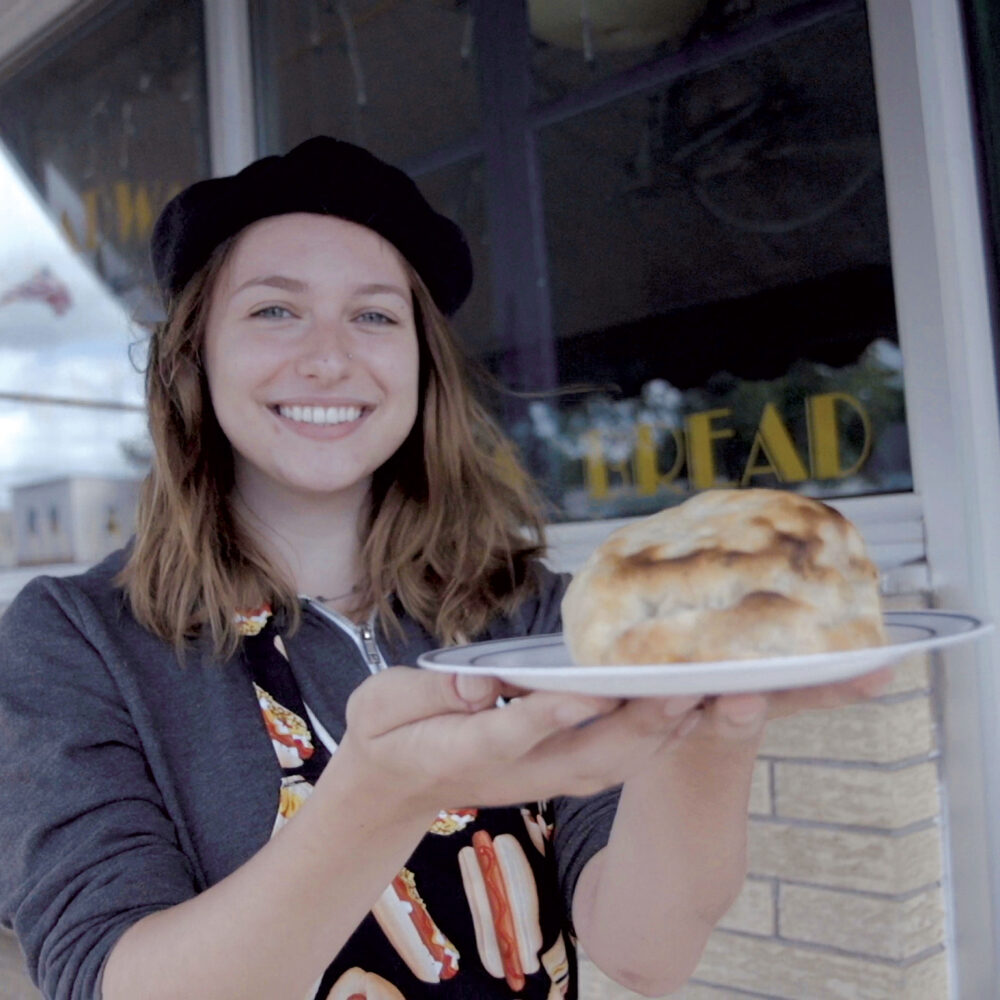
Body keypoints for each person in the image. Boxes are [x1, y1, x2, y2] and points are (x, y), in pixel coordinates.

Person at [0, 137, 891, 1000]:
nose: (329, 356)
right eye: (275, 310)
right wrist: (384, 794)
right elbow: (109, 981)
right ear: (194, 354)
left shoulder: (531, 613)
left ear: (424, 368)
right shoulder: (76, 640)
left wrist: (711, 727)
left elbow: (647, 954)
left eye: (374, 316)